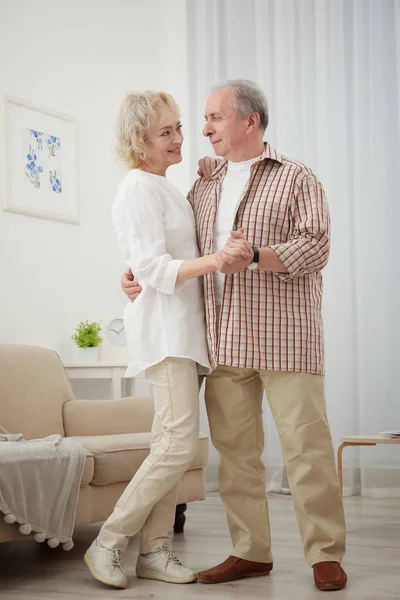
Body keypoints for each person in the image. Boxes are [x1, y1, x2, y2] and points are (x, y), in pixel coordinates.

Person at [121, 80, 347, 592]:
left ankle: (325, 553)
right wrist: (133, 272)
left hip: (287, 338)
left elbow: (317, 246)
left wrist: (258, 257)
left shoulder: (296, 177)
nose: (203, 130)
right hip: (223, 340)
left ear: (250, 121)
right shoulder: (204, 184)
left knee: (306, 451)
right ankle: (251, 552)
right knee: (238, 456)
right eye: (202, 120)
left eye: (214, 118)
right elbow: (171, 244)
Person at [84, 90, 247, 590]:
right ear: (140, 141)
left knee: (168, 444)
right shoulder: (137, 188)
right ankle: (108, 542)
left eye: (179, 127)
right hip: (166, 332)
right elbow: (152, 267)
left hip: (188, 332)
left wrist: (206, 176)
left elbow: (150, 258)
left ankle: (155, 552)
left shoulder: (165, 186)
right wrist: (216, 262)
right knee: (178, 446)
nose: (179, 138)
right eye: (166, 132)